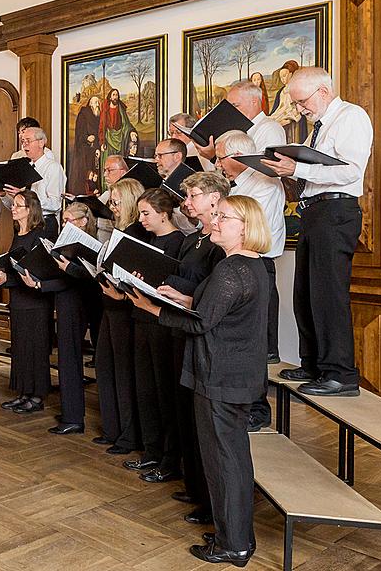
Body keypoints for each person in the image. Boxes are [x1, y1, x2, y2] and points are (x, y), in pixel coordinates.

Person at [129, 195, 271, 568]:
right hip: (237, 376)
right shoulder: (253, 266)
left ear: (246, 226)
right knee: (233, 459)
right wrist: (186, 297)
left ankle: (234, 544)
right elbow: (217, 310)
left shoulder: (230, 269)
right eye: (217, 215)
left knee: (225, 461)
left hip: (220, 377)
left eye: (224, 217)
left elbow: (202, 323)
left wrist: (153, 308)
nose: (215, 222)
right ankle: (234, 534)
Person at [260, 66, 373, 397]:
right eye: (295, 104)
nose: (299, 109)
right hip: (315, 212)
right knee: (305, 293)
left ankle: (341, 374)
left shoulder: (351, 117)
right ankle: (313, 364)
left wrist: (297, 168)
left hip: (336, 211)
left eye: (301, 101)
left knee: (328, 295)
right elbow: (310, 170)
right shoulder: (319, 127)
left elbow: (351, 171)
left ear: (323, 92)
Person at [156, 171, 230, 525]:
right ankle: (194, 484)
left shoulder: (220, 241)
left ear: (215, 199)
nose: (187, 202)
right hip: (179, 326)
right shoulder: (194, 237)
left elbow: (208, 290)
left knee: (198, 418)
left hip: (199, 330)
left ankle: (206, 496)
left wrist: (180, 293)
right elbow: (182, 274)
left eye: (194, 195)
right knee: (181, 410)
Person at [215, 130, 286, 421]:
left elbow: (255, 231)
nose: (217, 164)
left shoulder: (263, 183)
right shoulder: (240, 183)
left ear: (237, 157)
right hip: (239, 262)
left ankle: (258, 409)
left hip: (256, 262)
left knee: (257, 344)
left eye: (220, 158)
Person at [124, 188, 184, 483]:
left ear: (164, 213)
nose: (142, 219)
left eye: (146, 213)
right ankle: (151, 450)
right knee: (145, 389)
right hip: (140, 315)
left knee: (163, 392)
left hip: (162, 323)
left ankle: (169, 458)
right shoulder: (146, 238)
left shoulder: (179, 242)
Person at [95, 178, 147, 454]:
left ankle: (128, 435)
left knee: (124, 372)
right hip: (110, 306)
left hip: (126, 309)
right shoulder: (119, 230)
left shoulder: (137, 232)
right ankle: (112, 428)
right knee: (105, 365)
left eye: (116, 202)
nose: (112, 208)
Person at [0, 190, 52, 414]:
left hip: (35, 301)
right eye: (13, 205)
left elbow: (40, 269)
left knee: (35, 348)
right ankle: (23, 392)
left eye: (18, 205)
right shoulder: (19, 235)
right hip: (19, 298)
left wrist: (10, 277)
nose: (13, 209)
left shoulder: (39, 236)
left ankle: (36, 396)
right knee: (21, 348)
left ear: (30, 210)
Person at [47, 202, 99, 435]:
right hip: (68, 302)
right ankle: (71, 410)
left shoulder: (88, 245)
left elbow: (88, 278)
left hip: (77, 304)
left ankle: (74, 417)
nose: (64, 224)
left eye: (69, 220)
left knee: (69, 358)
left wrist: (67, 269)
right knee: (67, 358)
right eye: (63, 220)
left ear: (83, 222)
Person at [194, 79, 286, 160]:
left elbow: (265, 171)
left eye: (235, 106)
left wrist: (214, 157)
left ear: (254, 101)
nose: (230, 111)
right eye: (229, 107)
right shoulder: (238, 129)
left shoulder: (271, 129)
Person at [4, 127, 66, 240]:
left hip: (43, 224)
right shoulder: (25, 168)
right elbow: (16, 205)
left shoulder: (53, 167)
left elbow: (56, 204)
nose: (24, 145)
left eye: (28, 140)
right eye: (23, 141)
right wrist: (4, 195)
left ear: (41, 142)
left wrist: (26, 197)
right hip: (23, 223)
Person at [269, 60, 306, 143]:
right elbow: (276, 108)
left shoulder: (297, 89)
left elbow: (299, 109)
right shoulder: (281, 92)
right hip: (280, 115)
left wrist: (288, 119)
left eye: (284, 76)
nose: (282, 79)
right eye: (281, 77)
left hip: (292, 119)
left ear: (291, 74)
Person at [70, 98, 102, 194]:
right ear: (90, 103)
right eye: (95, 102)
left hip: (94, 149)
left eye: (98, 102)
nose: (97, 104)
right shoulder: (83, 115)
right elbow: (79, 134)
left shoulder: (98, 116)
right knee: (86, 174)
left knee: (95, 174)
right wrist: (86, 138)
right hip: (84, 151)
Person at [98, 88, 134, 159]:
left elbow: (126, 123)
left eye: (116, 95)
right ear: (110, 97)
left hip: (120, 138)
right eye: (113, 95)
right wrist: (102, 142)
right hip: (108, 139)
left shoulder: (121, 108)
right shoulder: (106, 109)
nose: (115, 97)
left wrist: (131, 131)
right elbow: (102, 125)